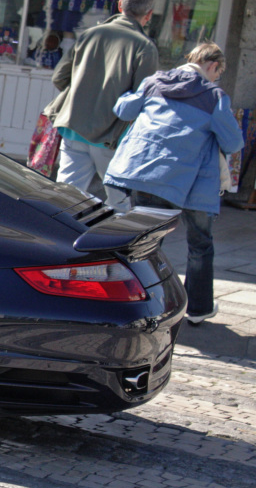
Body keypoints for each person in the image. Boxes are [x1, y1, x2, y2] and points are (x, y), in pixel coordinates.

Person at [103, 43, 244, 325]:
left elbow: (124, 110)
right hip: (188, 183)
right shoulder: (214, 95)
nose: (217, 78)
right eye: (219, 73)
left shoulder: (154, 81)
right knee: (200, 244)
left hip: (141, 171)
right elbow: (233, 142)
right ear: (213, 66)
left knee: (142, 241)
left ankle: (132, 300)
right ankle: (198, 308)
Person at [46, 0, 159, 213]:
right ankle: (115, 247)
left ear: (120, 5)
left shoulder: (89, 34)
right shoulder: (145, 48)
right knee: (118, 203)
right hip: (110, 135)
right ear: (148, 15)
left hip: (74, 126)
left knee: (65, 198)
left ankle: (53, 241)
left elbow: (59, 78)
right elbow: (140, 102)